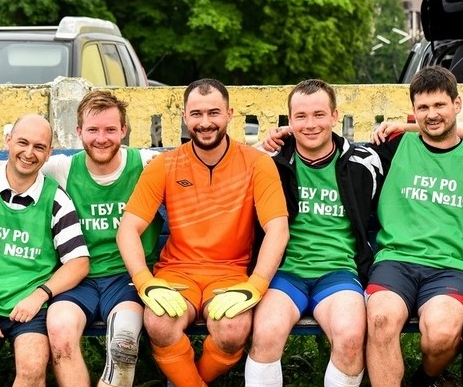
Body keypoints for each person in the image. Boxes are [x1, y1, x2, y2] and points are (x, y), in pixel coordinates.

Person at [116, 78, 289, 387]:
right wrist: (144, 281)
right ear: (185, 117)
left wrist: (257, 284)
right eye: (196, 114)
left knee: (233, 329)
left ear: (229, 114)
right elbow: (128, 228)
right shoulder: (165, 164)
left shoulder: (257, 163)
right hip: (177, 271)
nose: (205, 122)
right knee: (158, 322)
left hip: (230, 272)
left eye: (214, 113)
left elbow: (277, 229)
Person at [245, 79, 383, 387]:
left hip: (338, 272)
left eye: (319, 115)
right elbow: (229, 165)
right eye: (301, 117)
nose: (310, 124)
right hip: (285, 273)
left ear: (334, 116)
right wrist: (264, 145)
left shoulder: (363, 162)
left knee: (350, 338)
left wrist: (405, 126)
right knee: (265, 333)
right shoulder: (271, 163)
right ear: (289, 121)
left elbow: (439, 135)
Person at [43, 90, 163, 387]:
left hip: (128, 277)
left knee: (123, 345)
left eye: (110, 129)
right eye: (93, 130)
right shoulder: (62, 169)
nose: (101, 138)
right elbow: (9, 172)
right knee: (59, 334)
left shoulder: (146, 163)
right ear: (79, 131)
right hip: (77, 277)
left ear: (123, 130)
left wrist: (265, 146)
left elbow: (204, 162)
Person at [0, 114, 89, 387]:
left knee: (32, 371)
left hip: (31, 307)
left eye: (39, 147)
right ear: (8, 141)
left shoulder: (56, 198)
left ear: (49, 153)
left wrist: (39, 295)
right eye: (22, 143)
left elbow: (79, 262)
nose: (29, 153)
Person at [364, 66, 463, 387]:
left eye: (440, 105)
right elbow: (330, 150)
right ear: (413, 110)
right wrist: (285, 136)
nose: (431, 114)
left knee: (442, 334)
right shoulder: (394, 146)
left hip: (451, 266)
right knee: (380, 320)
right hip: (396, 261)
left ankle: (425, 379)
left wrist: (408, 124)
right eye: (423, 107)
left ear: (457, 104)